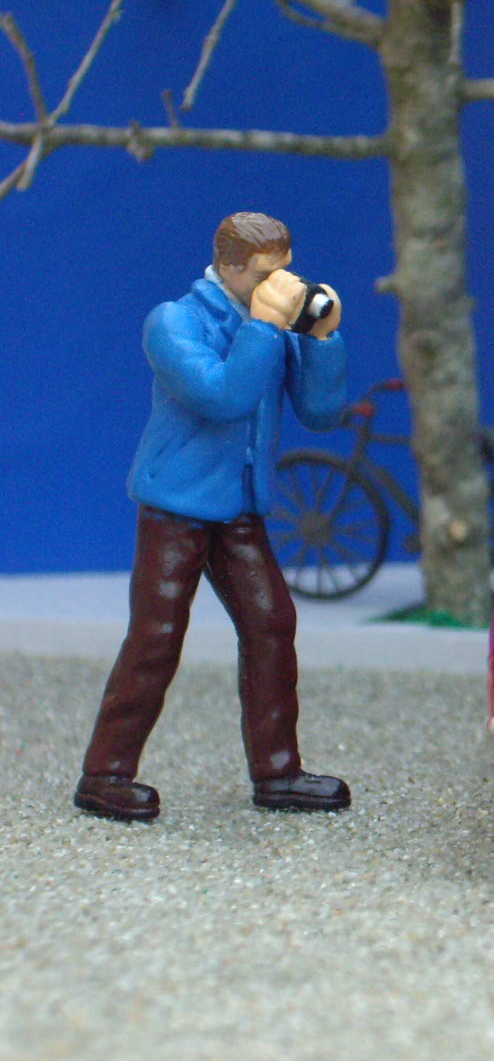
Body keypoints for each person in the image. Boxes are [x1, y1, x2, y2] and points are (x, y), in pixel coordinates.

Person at [74, 212, 352, 822]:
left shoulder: (270, 323)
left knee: (272, 623)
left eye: (284, 271)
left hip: (240, 507)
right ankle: (105, 774)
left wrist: (321, 339)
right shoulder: (175, 322)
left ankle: (278, 771)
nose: (278, 284)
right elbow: (224, 397)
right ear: (228, 266)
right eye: (264, 274)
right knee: (157, 636)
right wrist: (265, 327)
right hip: (177, 505)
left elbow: (322, 413)